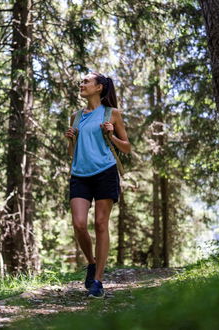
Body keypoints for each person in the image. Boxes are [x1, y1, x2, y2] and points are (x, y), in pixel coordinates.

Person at [64, 71, 131, 298]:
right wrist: (70, 140)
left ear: (99, 87)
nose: (81, 84)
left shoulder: (112, 114)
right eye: (81, 82)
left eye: (86, 82)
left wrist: (111, 135)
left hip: (105, 172)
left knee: (101, 224)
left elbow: (127, 148)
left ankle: (98, 281)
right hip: (80, 174)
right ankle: (91, 263)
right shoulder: (75, 115)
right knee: (80, 224)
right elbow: (72, 153)